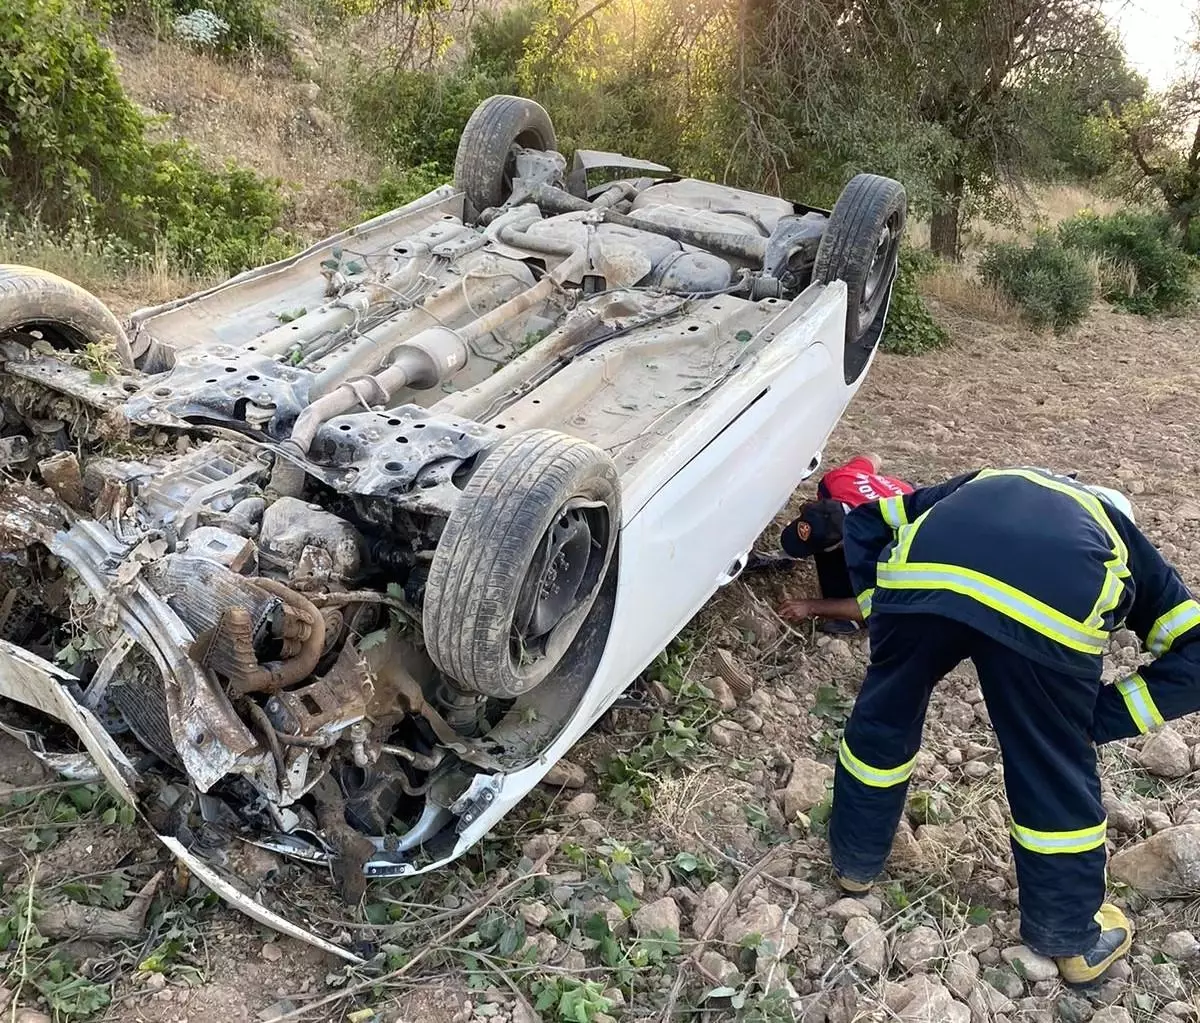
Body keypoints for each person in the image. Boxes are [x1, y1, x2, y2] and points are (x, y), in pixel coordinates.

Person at [830, 466, 1194, 985]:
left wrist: (880, 612)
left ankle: (854, 863)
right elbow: (1195, 653)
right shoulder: (1119, 534)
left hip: (922, 584)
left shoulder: (990, 477)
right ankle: (1071, 938)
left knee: (883, 719)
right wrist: (1096, 717)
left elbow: (867, 519)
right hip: (1046, 616)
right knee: (1050, 765)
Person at [749, 453, 913, 633]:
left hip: (921, 530)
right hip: (893, 498)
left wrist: (812, 606)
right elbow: (873, 457)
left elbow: (877, 604)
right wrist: (877, 485)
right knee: (826, 541)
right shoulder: (836, 481)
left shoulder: (894, 546)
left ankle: (855, 621)